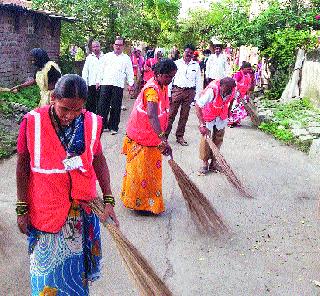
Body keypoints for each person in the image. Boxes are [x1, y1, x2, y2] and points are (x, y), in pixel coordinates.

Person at [16, 74, 119, 295]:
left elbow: (98, 159)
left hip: (81, 213)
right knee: (46, 277)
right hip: (46, 213)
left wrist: (108, 198)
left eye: (77, 110)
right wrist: (22, 208)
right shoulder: (32, 122)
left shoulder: (90, 122)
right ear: (53, 98)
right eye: (64, 109)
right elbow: (22, 168)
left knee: (75, 276)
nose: (70, 116)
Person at [121, 59, 177, 214]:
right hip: (142, 136)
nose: (170, 80)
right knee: (140, 172)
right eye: (167, 77)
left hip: (151, 135)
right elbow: (152, 115)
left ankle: (149, 202)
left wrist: (162, 136)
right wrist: (162, 138)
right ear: (158, 74)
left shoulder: (162, 85)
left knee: (150, 171)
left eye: (172, 77)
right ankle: (137, 203)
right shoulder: (151, 90)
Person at [195, 77, 237, 175]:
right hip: (209, 113)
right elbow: (198, 105)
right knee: (206, 139)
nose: (228, 91)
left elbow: (232, 99)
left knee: (218, 138)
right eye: (226, 89)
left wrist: (229, 111)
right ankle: (204, 163)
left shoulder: (233, 89)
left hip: (221, 115)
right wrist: (202, 124)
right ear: (221, 86)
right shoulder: (212, 91)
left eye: (230, 89)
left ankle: (214, 163)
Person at [165, 44, 202, 146]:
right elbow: (170, 79)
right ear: (183, 52)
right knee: (171, 115)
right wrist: (168, 94)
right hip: (177, 91)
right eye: (187, 52)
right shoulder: (176, 63)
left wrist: (197, 97)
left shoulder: (196, 65)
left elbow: (198, 82)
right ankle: (165, 136)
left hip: (189, 93)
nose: (189, 54)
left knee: (184, 116)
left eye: (191, 53)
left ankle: (180, 136)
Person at [97, 36, 134, 135]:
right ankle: (102, 125)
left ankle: (113, 127)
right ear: (113, 45)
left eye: (120, 45)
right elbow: (100, 70)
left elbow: (130, 72)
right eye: (116, 45)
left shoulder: (126, 58)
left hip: (118, 85)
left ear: (123, 46)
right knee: (102, 105)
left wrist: (130, 84)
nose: (118, 47)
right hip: (106, 83)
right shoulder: (107, 56)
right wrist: (98, 81)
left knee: (116, 106)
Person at [228, 62, 255, 127]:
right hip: (236, 94)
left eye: (250, 69)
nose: (249, 70)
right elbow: (234, 84)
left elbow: (248, 85)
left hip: (243, 95)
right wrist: (237, 93)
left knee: (240, 108)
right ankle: (230, 122)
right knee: (233, 108)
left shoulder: (248, 75)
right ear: (243, 68)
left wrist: (247, 95)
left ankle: (236, 121)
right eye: (248, 69)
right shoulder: (238, 74)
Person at [82, 40, 104, 113]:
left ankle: (101, 122)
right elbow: (85, 72)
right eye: (93, 47)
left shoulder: (105, 57)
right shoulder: (89, 58)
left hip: (103, 84)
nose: (95, 48)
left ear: (100, 47)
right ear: (91, 48)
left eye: (97, 46)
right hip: (91, 85)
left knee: (102, 105)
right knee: (91, 105)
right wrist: (85, 85)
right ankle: (90, 121)